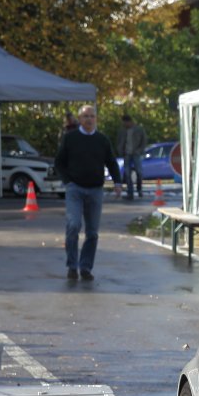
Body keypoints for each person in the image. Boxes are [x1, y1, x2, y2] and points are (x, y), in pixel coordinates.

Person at [53, 105, 121, 281]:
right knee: (73, 225)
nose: (89, 119)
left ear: (96, 119)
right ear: (80, 119)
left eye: (92, 116)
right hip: (75, 188)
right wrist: (68, 181)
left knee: (92, 232)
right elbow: (59, 162)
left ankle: (85, 267)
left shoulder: (102, 140)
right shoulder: (70, 138)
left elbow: (111, 162)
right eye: (85, 116)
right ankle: (72, 266)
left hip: (95, 190)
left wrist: (117, 182)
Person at [117, 114, 147, 200]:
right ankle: (130, 192)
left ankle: (139, 189)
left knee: (139, 172)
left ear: (129, 121)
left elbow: (144, 141)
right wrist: (120, 150)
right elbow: (119, 141)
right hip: (126, 154)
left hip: (136, 154)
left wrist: (139, 150)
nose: (124, 124)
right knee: (127, 173)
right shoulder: (122, 131)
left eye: (125, 123)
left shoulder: (139, 129)